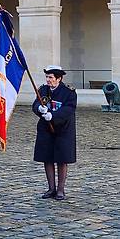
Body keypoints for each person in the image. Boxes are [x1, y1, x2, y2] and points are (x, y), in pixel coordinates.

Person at [32, 65, 76, 201]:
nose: (48, 80)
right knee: (47, 158)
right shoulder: (43, 89)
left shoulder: (68, 92)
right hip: (46, 129)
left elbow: (69, 108)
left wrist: (53, 115)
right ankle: (51, 188)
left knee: (62, 160)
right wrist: (39, 108)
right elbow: (34, 104)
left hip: (63, 130)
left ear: (59, 78)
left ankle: (61, 190)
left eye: (51, 77)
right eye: (47, 77)